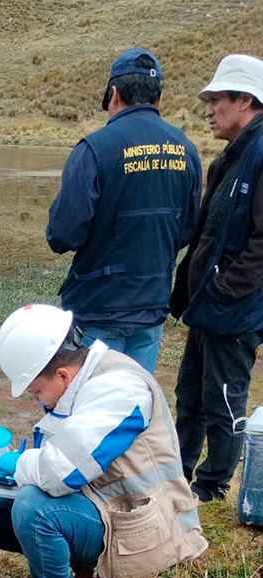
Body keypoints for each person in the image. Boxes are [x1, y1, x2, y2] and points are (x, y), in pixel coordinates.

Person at [0, 304, 208, 578]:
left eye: (37, 392)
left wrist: (21, 465)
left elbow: (62, 473)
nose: (37, 401)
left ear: (62, 375)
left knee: (33, 507)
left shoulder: (118, 389)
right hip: (109, 509)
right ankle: (86, 575)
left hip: (144, 526)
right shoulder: (82, 381)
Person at [46, 48, 201, 373]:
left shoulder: (94, 149)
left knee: (94, 408)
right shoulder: (185, 149)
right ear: (158, 99)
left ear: (114, 94)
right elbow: (188, 228)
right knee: (134, 404)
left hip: (99, 308)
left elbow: (63, 234)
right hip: (152, 305)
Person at [169, 54, 263, 503]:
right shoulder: (231, 158)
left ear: (245, 99)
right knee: (190, 390)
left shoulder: (262, 154)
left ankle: (212, 484)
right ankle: (178, 471)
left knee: (224, 398)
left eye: (216, 99)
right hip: (209, 302)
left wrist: (227, 290)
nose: (208, 110)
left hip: (234, 308)